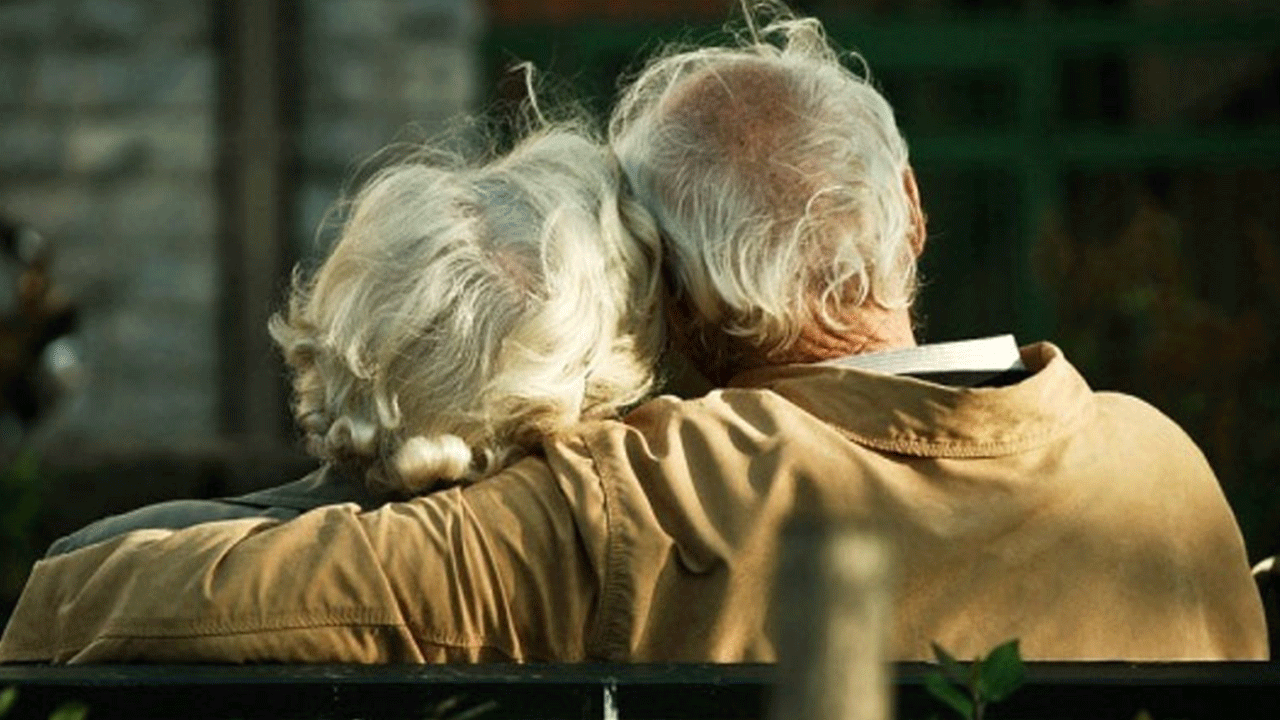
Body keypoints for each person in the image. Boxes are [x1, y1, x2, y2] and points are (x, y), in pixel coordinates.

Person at [1, 5, 1267, 664]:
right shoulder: (1166, 477)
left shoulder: (644, 503)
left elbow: (114, 608)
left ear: (678, 306)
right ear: (914, 215)